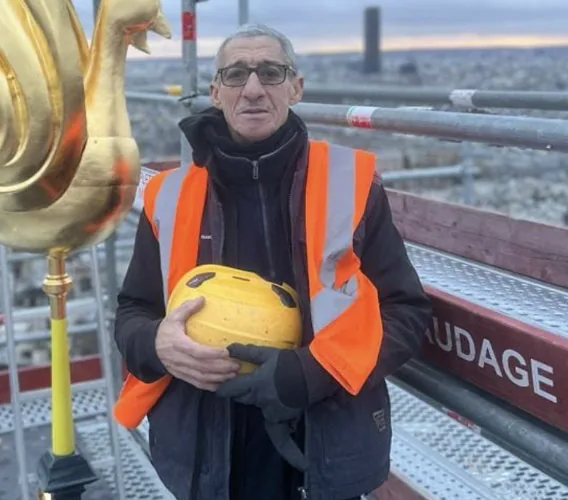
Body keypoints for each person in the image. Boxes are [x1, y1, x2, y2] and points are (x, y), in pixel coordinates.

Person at [112, 23, 432, 500]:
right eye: (237, 74)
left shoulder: (352, 185)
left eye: (271, 72)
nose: (255, 89)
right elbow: (132, 312)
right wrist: (158, 345)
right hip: (205, 453)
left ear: (296, 87)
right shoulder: (170, 196)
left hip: (321, 441)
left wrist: (311, 373)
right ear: (216, 92)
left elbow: (406, 313)